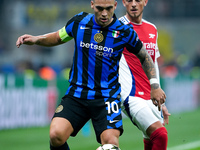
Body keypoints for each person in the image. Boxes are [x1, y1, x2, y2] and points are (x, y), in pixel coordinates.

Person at [16, 0, 166, 149]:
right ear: (92, 4)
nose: (104, 14)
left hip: (106, 97)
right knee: (56, 135)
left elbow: (144, 56)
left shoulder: (124, 31)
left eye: (108, 8)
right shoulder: (79, 22)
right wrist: (36, 39)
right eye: (100, 8)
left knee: (110, 144)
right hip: (77, 94)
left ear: (115, 6)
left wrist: (154, 85)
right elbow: (57, 37)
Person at [119, 0, 170, 150]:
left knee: (151, 140)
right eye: (129, 0)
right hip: (130, 94)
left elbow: (153, 63)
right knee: (160, 135)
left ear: (145, 2)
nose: (133, 4)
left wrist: (159, 95)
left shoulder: (152, 28)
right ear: (123, 2)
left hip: (150, 95)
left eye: (138, 0)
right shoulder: (117, 27)